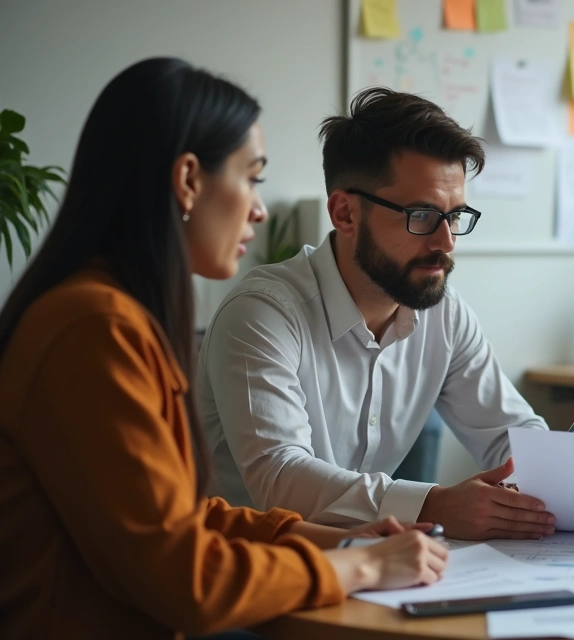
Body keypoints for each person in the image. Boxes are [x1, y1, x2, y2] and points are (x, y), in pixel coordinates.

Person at [0, 58, 448, 639]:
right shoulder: (94, 327)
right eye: (253, 177)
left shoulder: (117, 316)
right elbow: (183, 578)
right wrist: (359, 564)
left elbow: (185, 516)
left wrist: (337, 539)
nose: (260, 210)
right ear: (188, 180)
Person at [197, 87, 555, 541]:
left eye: (456, 216)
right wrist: (432, 504)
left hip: (373, 567)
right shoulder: (262, 314)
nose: (446, 241)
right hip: (252, 578)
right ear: (345, 213)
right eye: (422, 215)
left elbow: (513, 439)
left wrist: (569, 480)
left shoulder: (444, 313)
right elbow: (279, 477)